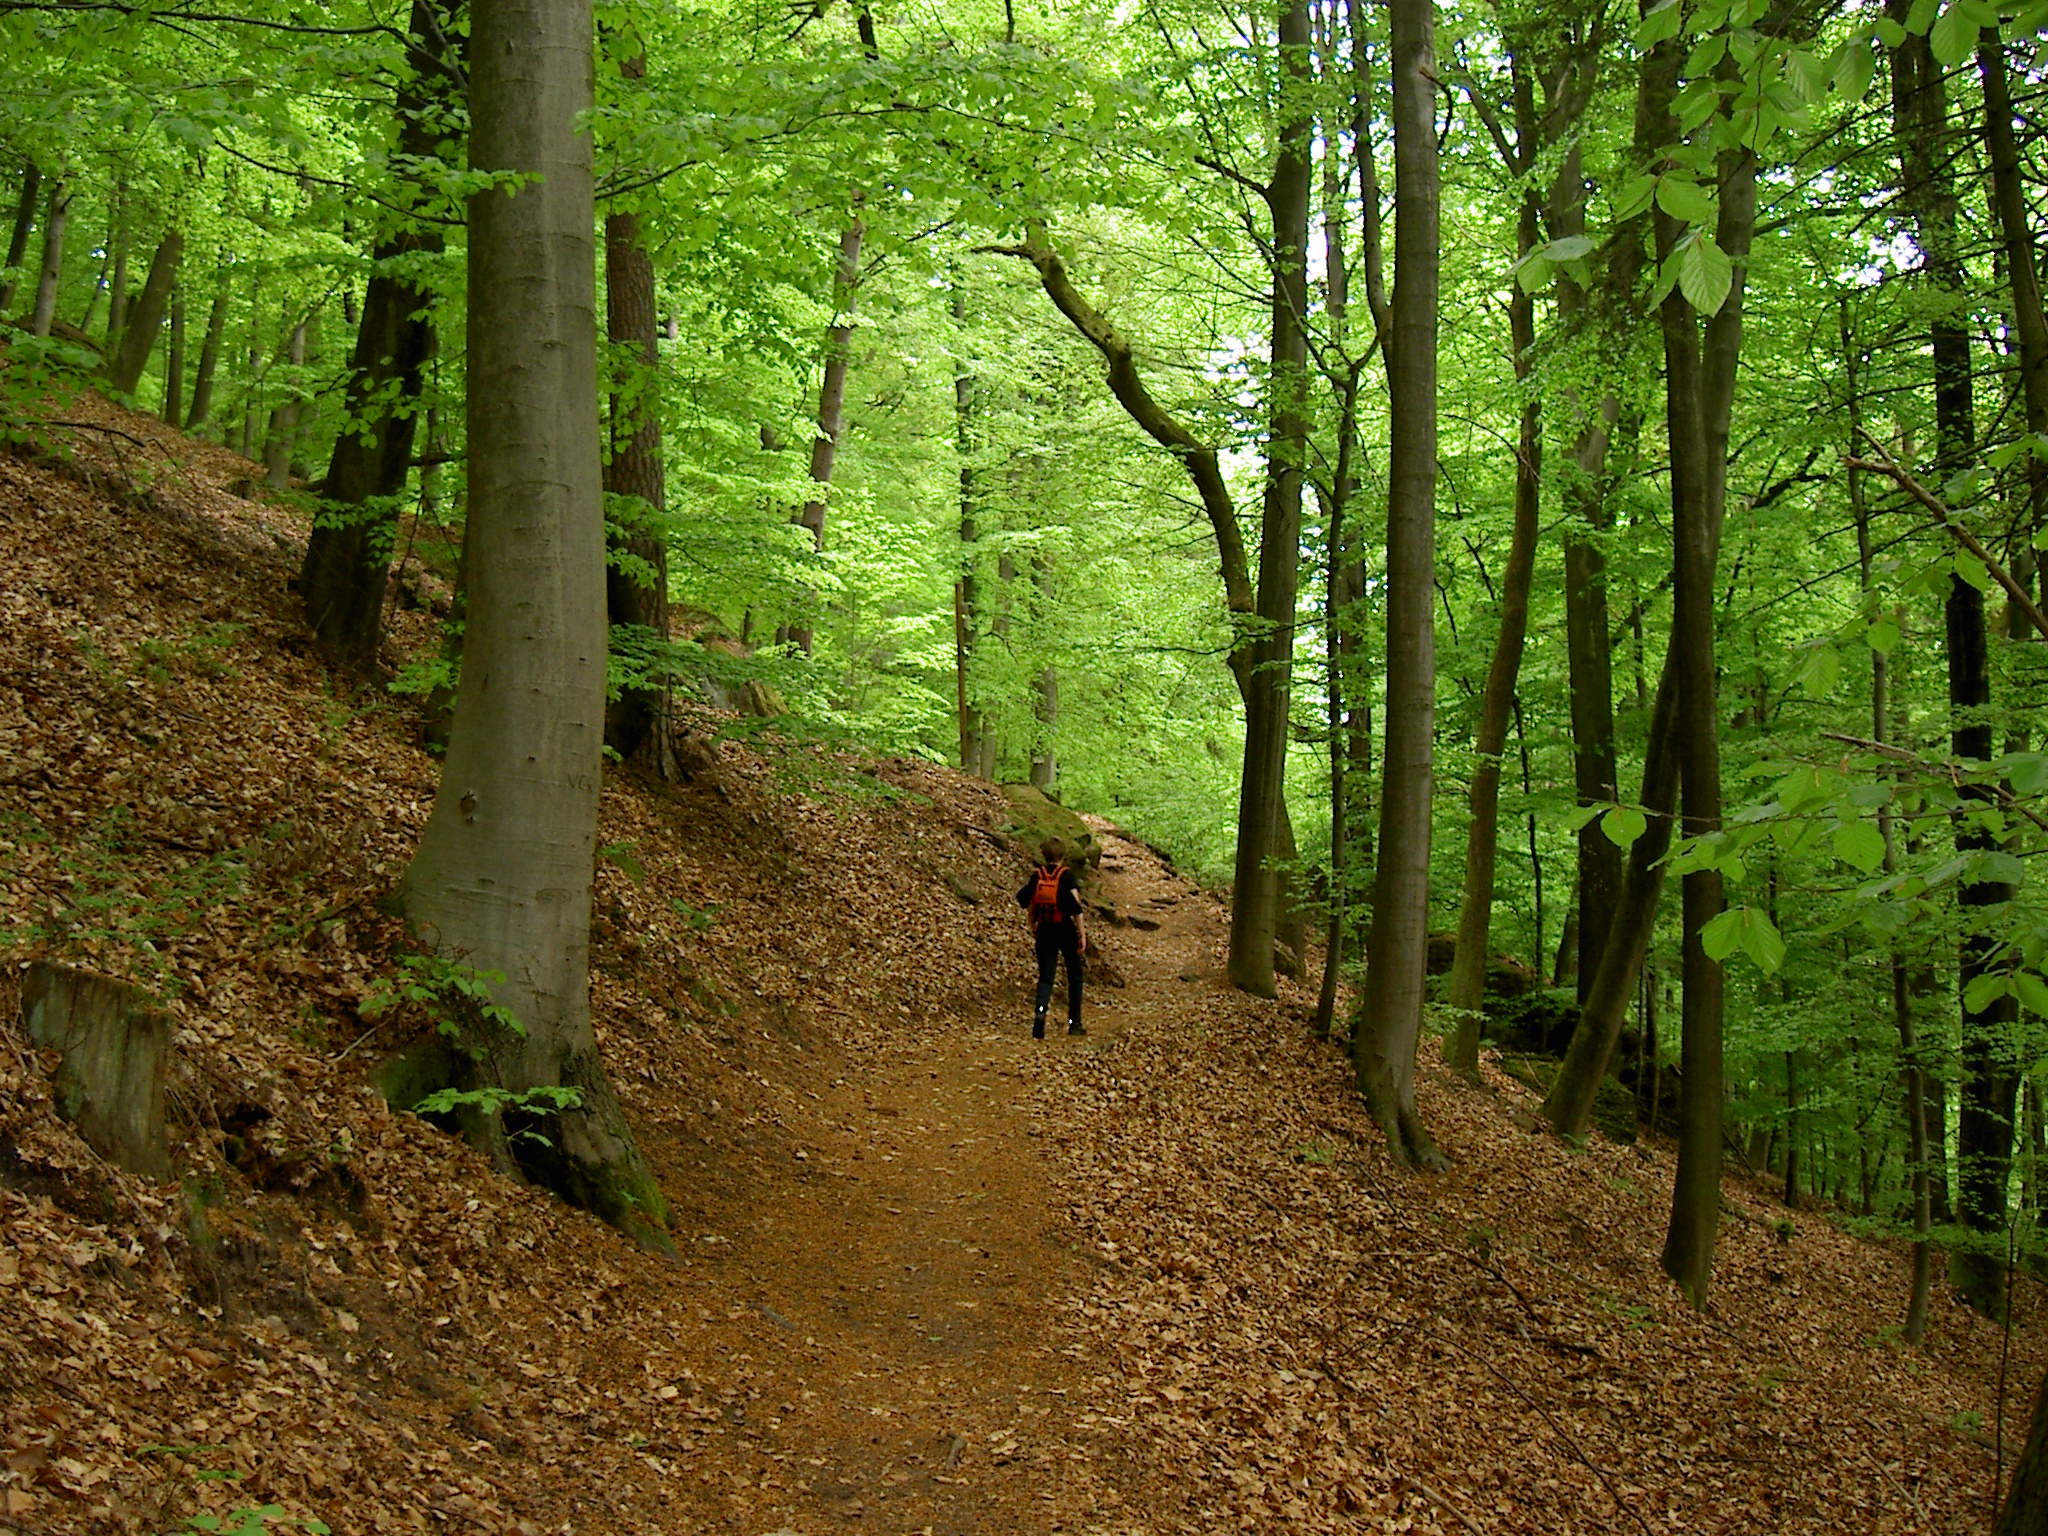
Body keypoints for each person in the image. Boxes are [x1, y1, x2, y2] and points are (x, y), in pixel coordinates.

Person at [1016, 836, 1086, 1038]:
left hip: (1044, 929)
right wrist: (1081, 935)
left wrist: (1033, 926)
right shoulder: (1067, 876)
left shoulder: (1037, 876)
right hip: (1065, 929)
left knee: (1046, 977)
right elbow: (1077, 908)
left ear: (1044, 855)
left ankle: (1039, 1017)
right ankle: (1074, 1023)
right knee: (1075, 976)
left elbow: (1027, 902)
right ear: (1063, 855)